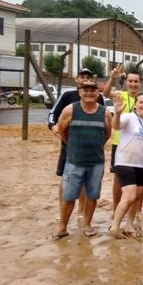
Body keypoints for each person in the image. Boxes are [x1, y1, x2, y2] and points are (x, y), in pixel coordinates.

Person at [52, 79, 111, 239]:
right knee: (68, 196)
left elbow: (107, 134)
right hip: (73, 162)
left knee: (92, 196)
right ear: (80, 92)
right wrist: (72, 146)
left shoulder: (104, 112)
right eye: (85, 90)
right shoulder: (70, 110)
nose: (89, 93)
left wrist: (94, 146)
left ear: (98, 92)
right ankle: (62, 227)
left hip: (96, 162)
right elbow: (61, 131)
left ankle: (87, 224)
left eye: (93, 90)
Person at [48, 68, 105, 220]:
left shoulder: (97, 98)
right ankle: (63, 212)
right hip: (70, 145)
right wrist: (53, 126)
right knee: (65, 178)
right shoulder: (68, 96)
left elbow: (106, 127)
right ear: (76, 79)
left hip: (92, 148)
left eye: (88, 77)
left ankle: (81, 210)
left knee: (86, 181)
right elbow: (53, 114)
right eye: (82, 77)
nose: (85, 79)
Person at [108, 93, 143, 239]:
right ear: (135, 105)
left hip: (142, 164)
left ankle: (129, 225)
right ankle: (115, 227)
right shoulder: (128, 117)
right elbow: (116, 126)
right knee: (129, 195)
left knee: (137, 197)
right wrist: (118, 112)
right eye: (141, 102)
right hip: (125, 161)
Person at [103, 64, 143, 221]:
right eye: (130, 81)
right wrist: (113, 78)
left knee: (139, 180)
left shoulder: (142, 99)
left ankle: (137, 211)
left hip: (137, 144)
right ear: (126, 82)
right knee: (118, 179)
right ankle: (115, 208)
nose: (133, 84)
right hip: (119, 144)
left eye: (136, 81)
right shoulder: (120, 95)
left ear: (140, 83)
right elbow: (105, 93)